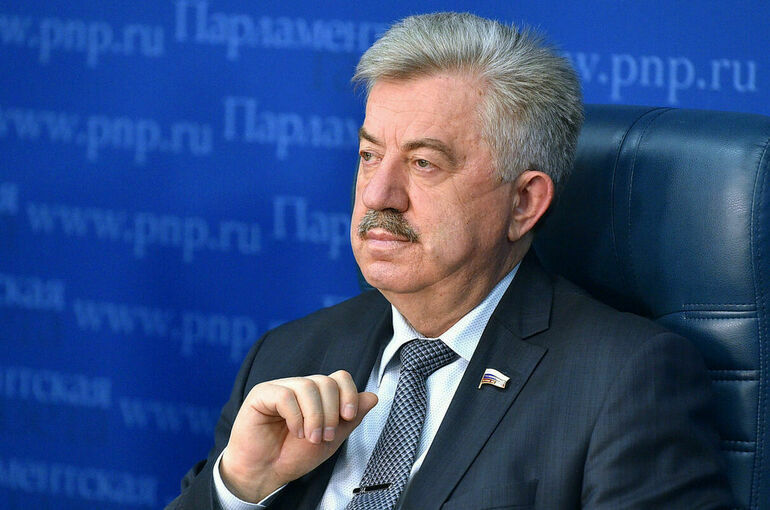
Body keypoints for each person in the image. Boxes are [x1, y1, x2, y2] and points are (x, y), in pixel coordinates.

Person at [166, 12, 734, 509]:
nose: (378, 194)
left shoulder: (621, 382)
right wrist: (240, 488)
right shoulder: (286, 355)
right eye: (369, 155)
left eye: (424, 164)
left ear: (523, 202)